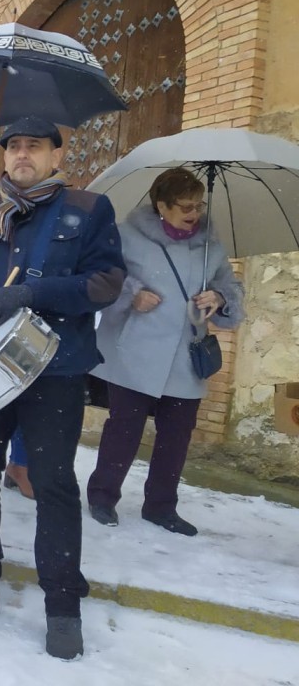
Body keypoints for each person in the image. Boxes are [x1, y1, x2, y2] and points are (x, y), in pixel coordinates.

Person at [0, 115, 126, 660]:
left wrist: (34, 295)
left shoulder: (88, 210)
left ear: (56, 157)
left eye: (34, 147)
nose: (22, 155)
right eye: (13, 146)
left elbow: (106, 283)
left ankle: (63, 608)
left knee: (53, 485)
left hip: (55, 371)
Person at [87, 168, 244, 536]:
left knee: (177, 435)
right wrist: (132, 294)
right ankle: (102, 497)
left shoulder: (211, 244)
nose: (194, 213)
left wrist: (219, 297)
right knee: (123, 430)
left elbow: (230, 285)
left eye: (198, 205)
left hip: (185, 355)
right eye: (185, 206)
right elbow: (103, 276)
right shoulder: (127, 236)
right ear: (161, 205)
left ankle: (160, 506)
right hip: (135, 351)